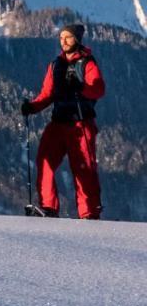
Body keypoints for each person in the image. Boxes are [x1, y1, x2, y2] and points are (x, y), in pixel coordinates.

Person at [20, 23, 106, 219]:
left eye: (68, 37)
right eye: (61, 37)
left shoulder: (87, 63)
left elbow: (99, 89)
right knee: (44, 161)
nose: (64, 41)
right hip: (58, 123)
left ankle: (89, 213)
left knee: (83, 169)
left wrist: (81, 88)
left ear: (77, 39)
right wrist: (32, 107)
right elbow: (47, 94)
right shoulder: (55, 65)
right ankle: (48, 207)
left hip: (81, 123)